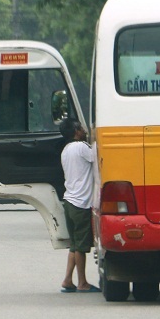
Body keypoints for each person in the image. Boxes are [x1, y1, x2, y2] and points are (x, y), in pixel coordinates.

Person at [58, 118, 99, 293]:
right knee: (81, 248)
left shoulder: (66, 150)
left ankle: (68, 280)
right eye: (81, 128)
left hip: (69, 202)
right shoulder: (82, 148)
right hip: (81, 204)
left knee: (74, 246)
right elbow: (97, 157)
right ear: (76, 131)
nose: (84, 130)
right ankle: (82, 283)